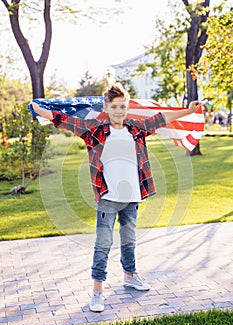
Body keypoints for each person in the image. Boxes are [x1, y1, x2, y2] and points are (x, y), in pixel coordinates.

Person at [31, 83, 200, 312]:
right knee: (103, 244)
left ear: (127, 107)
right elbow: (62, 119)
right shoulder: (94, 129)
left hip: (132, 197)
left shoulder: (136, 129)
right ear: (106, 107)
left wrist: (188, 111)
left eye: (122, 106)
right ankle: (97, 292)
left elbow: (162, 118)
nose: (119, 111)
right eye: (114, 107)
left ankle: (130, 275)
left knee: (129, 241)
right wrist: (38, 108)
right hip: (108, 198)